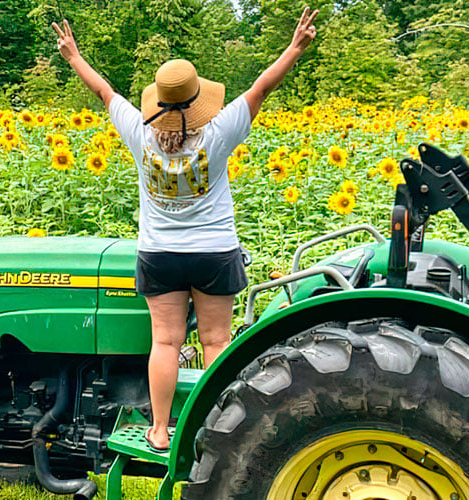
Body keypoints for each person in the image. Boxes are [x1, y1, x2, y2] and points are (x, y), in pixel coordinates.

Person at [51, 7, 319, 452]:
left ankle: (158, 429)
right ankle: (222, 432)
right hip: (214, 251)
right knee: (217, 341)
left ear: (157, 100)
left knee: (165, 342)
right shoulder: (218, 133)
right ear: (198, 101)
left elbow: (104, 91)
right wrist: (293, 48)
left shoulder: (140, 133)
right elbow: (262, 87)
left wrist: (75, 56)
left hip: (159, 253)